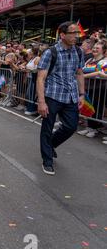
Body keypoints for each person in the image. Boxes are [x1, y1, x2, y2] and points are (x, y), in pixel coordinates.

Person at [37, 21, 86, 176]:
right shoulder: (50, 52)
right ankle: (47, 160)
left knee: (71, 127)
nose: (76, 36)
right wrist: (42, 101)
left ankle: (50, 146)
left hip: (71, 96)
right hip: (52, 96)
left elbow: (79, 73)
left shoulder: (78, 52)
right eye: (73, 33)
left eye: (77, 33)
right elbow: (41, 78)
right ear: (63, 35)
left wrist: (82, 94)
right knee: (47, 128)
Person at [77, 41, 107, 139]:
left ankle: (94, 128)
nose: (94, 49)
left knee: (96, 109)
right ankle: (89, 127)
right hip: (87, 87)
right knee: (89, 107)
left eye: (97, 48)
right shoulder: (89, 59)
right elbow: (82, 69)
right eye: (94, 47)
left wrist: (83, 76)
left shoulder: (104, 61)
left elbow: (100, 73)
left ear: (103, 51)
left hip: (99, 88)